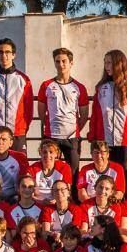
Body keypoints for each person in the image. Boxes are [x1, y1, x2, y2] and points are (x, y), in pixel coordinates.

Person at [89, 49, 127, 171]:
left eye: (109, 63)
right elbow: (95, 115)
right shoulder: (101, 87)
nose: (106, 66)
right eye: (105, 63)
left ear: (119, 64)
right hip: (104, 141)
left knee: (125, 174)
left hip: (126, 141)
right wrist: (93, 137)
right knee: (106, 174)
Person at [38, 47, 89, 177]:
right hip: (51, 135)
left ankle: (71, 197)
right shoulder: (46, 85)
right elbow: (41, 112)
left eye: (64, 61)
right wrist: (48, 125)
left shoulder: (79, 87)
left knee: (73, 172)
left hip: (71, 137)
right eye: (57, 61)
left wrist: (76, 129)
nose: (61, 64)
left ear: (71, 63)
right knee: (50, 170)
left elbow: (83, 115)